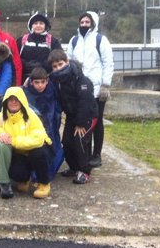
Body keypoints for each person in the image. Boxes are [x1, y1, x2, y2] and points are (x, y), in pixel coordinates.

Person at [67, 11, 114, 168]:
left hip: (95, 88)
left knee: (97, 121)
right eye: (82, 22)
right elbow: (69, 63)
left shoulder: (101, 40)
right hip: (79, 88)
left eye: (87, 22)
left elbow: (108, 63)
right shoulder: (74, 41)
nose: (84, 25)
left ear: (93, 23)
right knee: (81, 121)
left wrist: (105, 85)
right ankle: (83, 155)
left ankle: (97, 154)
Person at [0, 86, 53, 199]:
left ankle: (44, 183)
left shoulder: (32, 116)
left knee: (39, 154)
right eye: (10, 99)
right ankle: (24, 180)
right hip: (20, 154)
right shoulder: (0, 117)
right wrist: (0, 134)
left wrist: (13, 141)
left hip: (37, 150)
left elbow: (38, 139)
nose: (13, 102)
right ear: (5, 101)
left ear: (22, 101)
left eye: (16, 99)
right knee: (16, 172)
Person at [48, 49, 99, 185]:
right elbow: (43, 80)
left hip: (87, 115)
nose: (58, 68)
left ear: (67, 62)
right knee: (67, 142)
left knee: (80, 140)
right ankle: (74, 167)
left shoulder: (81, 79)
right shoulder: (56, 79)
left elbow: (85, 101)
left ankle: (84, 171)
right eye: (55, 66)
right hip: (71, 116)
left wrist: (81, 123)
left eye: (60, 64)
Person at [23, 67, 64, 180]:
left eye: (43, 82)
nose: (40, 85)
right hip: (34, 132)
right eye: (36, 82)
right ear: (31, 82)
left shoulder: (52, 91)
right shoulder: (26, 94)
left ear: (47, 81)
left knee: (54, 155)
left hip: (51, 129)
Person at [17, 12, 62, 83]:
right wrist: (25, 64)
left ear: (45, 25)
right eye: (35, 23)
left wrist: (41, 66)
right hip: (24, 79)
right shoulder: (21, 40)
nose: (38, 25)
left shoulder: (53, 41)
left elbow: (58, 59)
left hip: (46, 80)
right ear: (31, 25)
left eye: (41, 23)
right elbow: (15, 58)